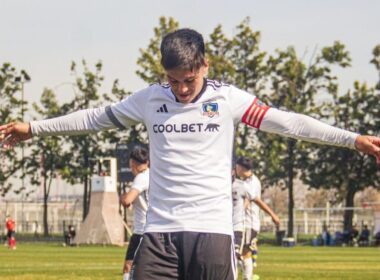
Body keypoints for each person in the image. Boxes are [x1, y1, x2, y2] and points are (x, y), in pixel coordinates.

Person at [0, 28, 380, 280]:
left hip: (212, 234)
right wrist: (35, 127)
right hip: (161, 233)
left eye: (189, 80)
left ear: (204, 66)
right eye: (173, 80)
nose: (181, 89)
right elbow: (96, 118)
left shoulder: (228, 100)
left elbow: (290, 123)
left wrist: (352, 139)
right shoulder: (150, 99)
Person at [233, 156, 280, 280]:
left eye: (236, 166)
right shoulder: (250, 180)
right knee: (239, 253)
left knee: (244, 253)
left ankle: (247, 278)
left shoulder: (251, 183)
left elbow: (250, 200)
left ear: (240, 167)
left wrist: (273, 215)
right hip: (245, 222)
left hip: (248, 222)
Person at [120, 146, 149, 280]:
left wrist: (123, 197)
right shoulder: (153, 175)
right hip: (154, 229)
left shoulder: (141, 178)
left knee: (128, 266)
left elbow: (127, 201)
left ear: (132, 163)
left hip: (141, 231)